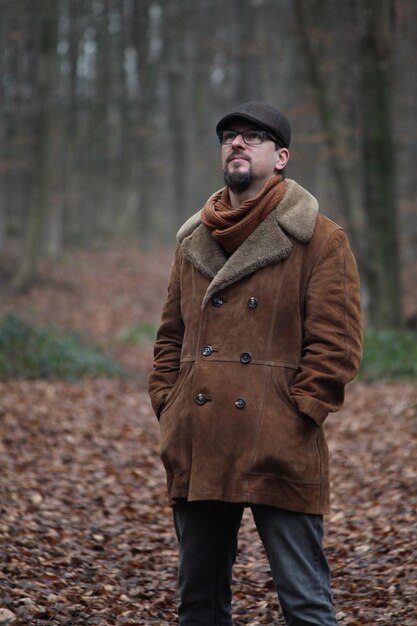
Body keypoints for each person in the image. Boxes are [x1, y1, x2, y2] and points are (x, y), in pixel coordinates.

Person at [148, 101, 362, 626]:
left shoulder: (321, 239)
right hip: (201, 439)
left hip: (279, 443)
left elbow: (337, 346)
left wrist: (298, 413)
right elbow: (169, 336)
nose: (237, 143)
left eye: (253, 137)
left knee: (305, 604)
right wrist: (170, 402)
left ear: (281, 156)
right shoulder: (193, 240)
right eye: (229, 137)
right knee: (198, 606)